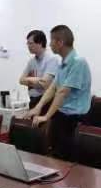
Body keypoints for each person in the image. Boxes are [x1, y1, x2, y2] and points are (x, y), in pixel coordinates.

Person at [26, 25, 92, 160]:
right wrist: (38, 107)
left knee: (69, 161)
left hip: (75, 121)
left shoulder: (78, 62)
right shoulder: (63, 63)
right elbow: (53, 88)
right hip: (62, 116)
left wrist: (46, 116)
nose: (49, 44)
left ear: (60, 42)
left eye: (51, 40)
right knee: (55, 154)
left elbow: (62, 92)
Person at [19, 30, 60, 111]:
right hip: (33, 100)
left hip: (46, 102)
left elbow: (45, 84)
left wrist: (29, 81)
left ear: (40, 43)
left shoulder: (52, 59)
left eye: (31, 43)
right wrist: (38, 80)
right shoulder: (31, 61)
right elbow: (21, 80)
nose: (28, 46)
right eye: (27, 43)